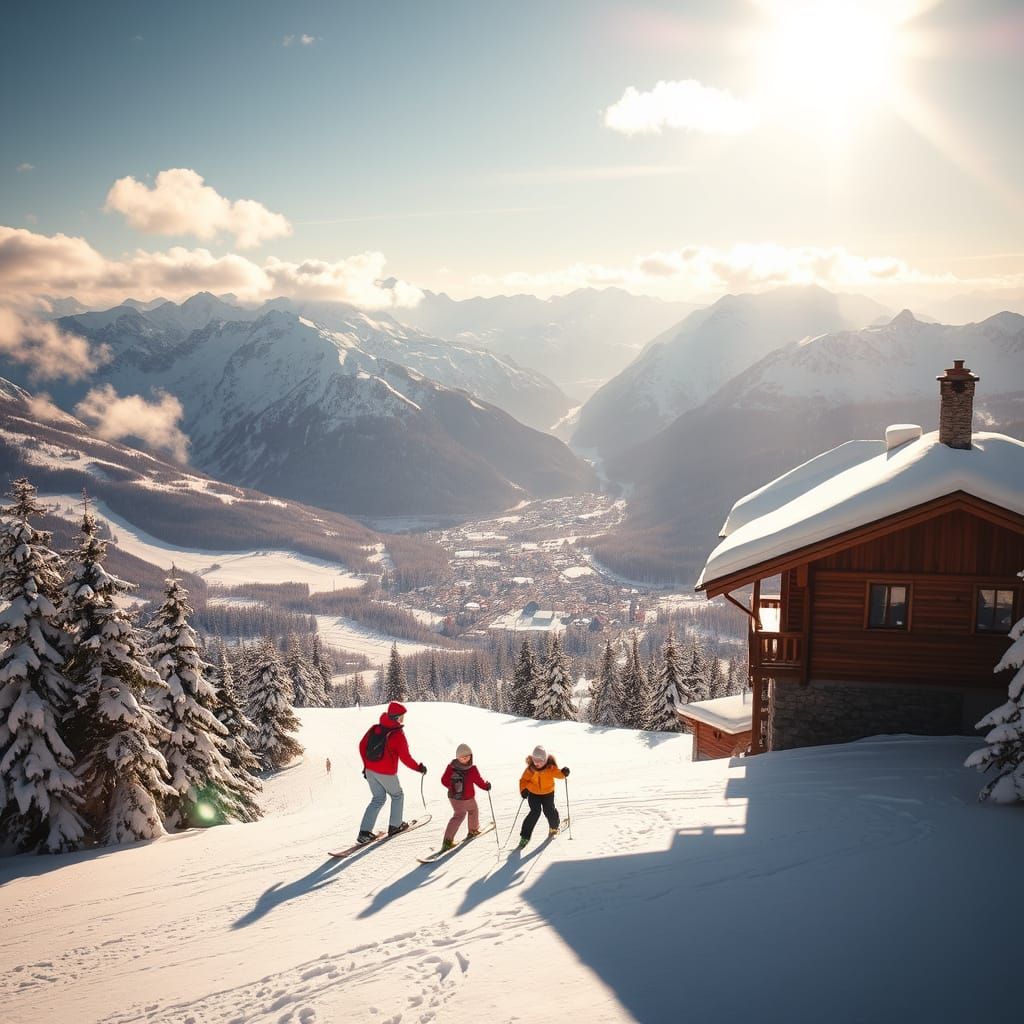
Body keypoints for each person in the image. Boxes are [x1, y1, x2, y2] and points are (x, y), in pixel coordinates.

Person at [356, 701, 427, 844]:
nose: (403, 720)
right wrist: (419, 768)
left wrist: (366, 766)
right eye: (401, 717)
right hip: (386, 773)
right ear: (395, 718)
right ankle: (395, 826)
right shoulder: (397, 734)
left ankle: (364, 833)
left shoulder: (375, 728)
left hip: (370, 771)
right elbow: (406, 758)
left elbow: (362, 746)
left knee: (377, 799)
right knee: (397, 795)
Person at [516, 745, 570, 850]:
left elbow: (559, 774)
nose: (537, 763)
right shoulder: (530, 769)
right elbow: (523, 780)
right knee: (535, 812)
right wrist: (523, 790)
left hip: (548, 793)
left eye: (540, 760)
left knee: (549, 810)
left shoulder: (550, 768)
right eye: (535, 760)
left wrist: (564, 773)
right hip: (533, 794)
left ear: (545, 760)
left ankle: (554, 827)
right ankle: (524, 836)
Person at [439, 743, 492, 851]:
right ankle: (472, 831)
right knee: (470, 811)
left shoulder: (452, 766)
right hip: (463, 797)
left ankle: (448, 841)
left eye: (467, 756)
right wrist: (485, 786)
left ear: (471, 756)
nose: (465, 758)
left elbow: (444, 780)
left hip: (455, 797)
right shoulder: (470, 769)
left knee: (462, 814)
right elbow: (479, 781)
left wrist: (453, 787)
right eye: (463, 757)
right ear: (457, 757)